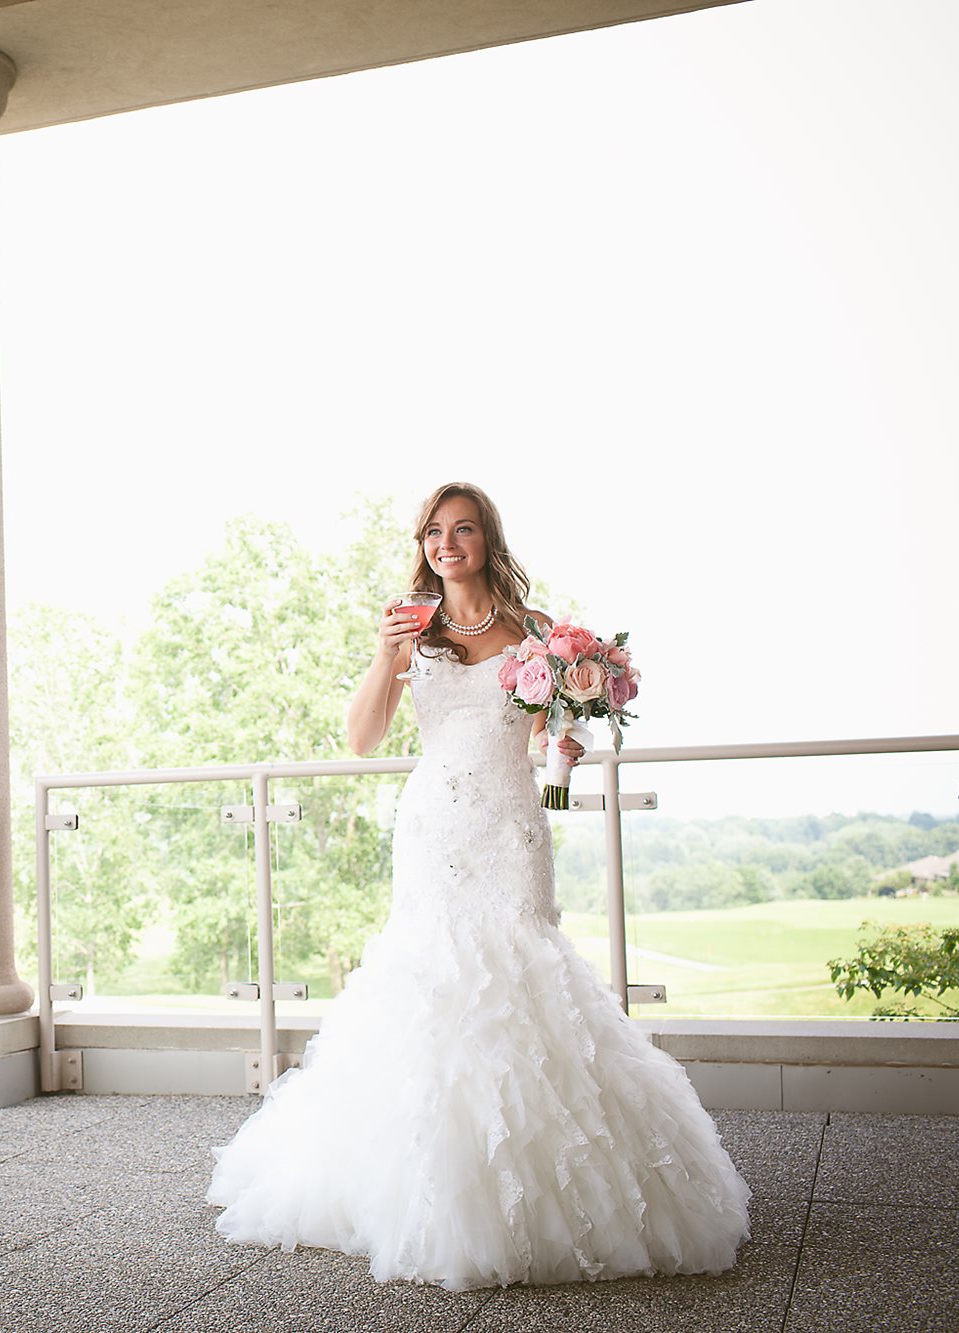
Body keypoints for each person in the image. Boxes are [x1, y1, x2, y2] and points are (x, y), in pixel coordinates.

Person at [205, 481, 750, 1290]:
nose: (445, 543)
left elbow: (545, 733)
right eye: (433, 531)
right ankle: (429, 1187)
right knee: (430, 980)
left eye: (462, 529)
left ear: (489, 540)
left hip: (509, 825)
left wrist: (569, 719)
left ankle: (560, 1192)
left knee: (528, 970)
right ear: (422, 542)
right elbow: (361, 737)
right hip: (433, 828)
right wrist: (385, 653)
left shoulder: (536, 634)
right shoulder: (410, 625)